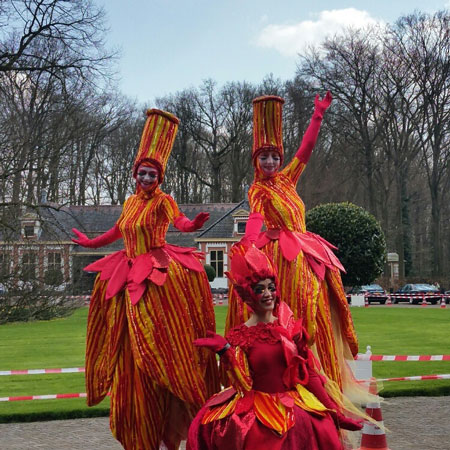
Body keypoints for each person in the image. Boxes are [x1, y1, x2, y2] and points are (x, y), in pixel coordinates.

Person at [72, 109, 220, 450]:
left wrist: (194, 226)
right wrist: (89, 243)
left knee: (162, 332)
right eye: (142, 172)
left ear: (160, 176)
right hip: (127, 268)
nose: (147, 178)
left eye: (152, 173)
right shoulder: (129, 203)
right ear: (135, 174)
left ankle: (173, 374)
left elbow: (180, 223)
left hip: (153, 268)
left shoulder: (165, 201)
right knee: (116, 325)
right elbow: (115, 232)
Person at [225, 93, 359, 393]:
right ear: (255, 160)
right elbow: (257, 218)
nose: (270, 162)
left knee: (316, 312)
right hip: (282, 258)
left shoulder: (288, 179)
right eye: (263, 157)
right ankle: (287, 380)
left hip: (305, 252)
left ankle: (320, 383)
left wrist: (318, 115)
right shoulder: (257, 189)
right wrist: (247, 244)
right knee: (292, 311)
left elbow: (307, 149)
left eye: (274, 156)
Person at [187, 245, 362, 450]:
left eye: (271, 287)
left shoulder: (289, 327)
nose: (268, 294)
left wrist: (335, 413)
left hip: (294, 405)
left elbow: (309, 375)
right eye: (260, 289)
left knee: (317, 428)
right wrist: (225, 351)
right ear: (248, 295)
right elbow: (243, 385)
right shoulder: (239, 336)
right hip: (257, 408)